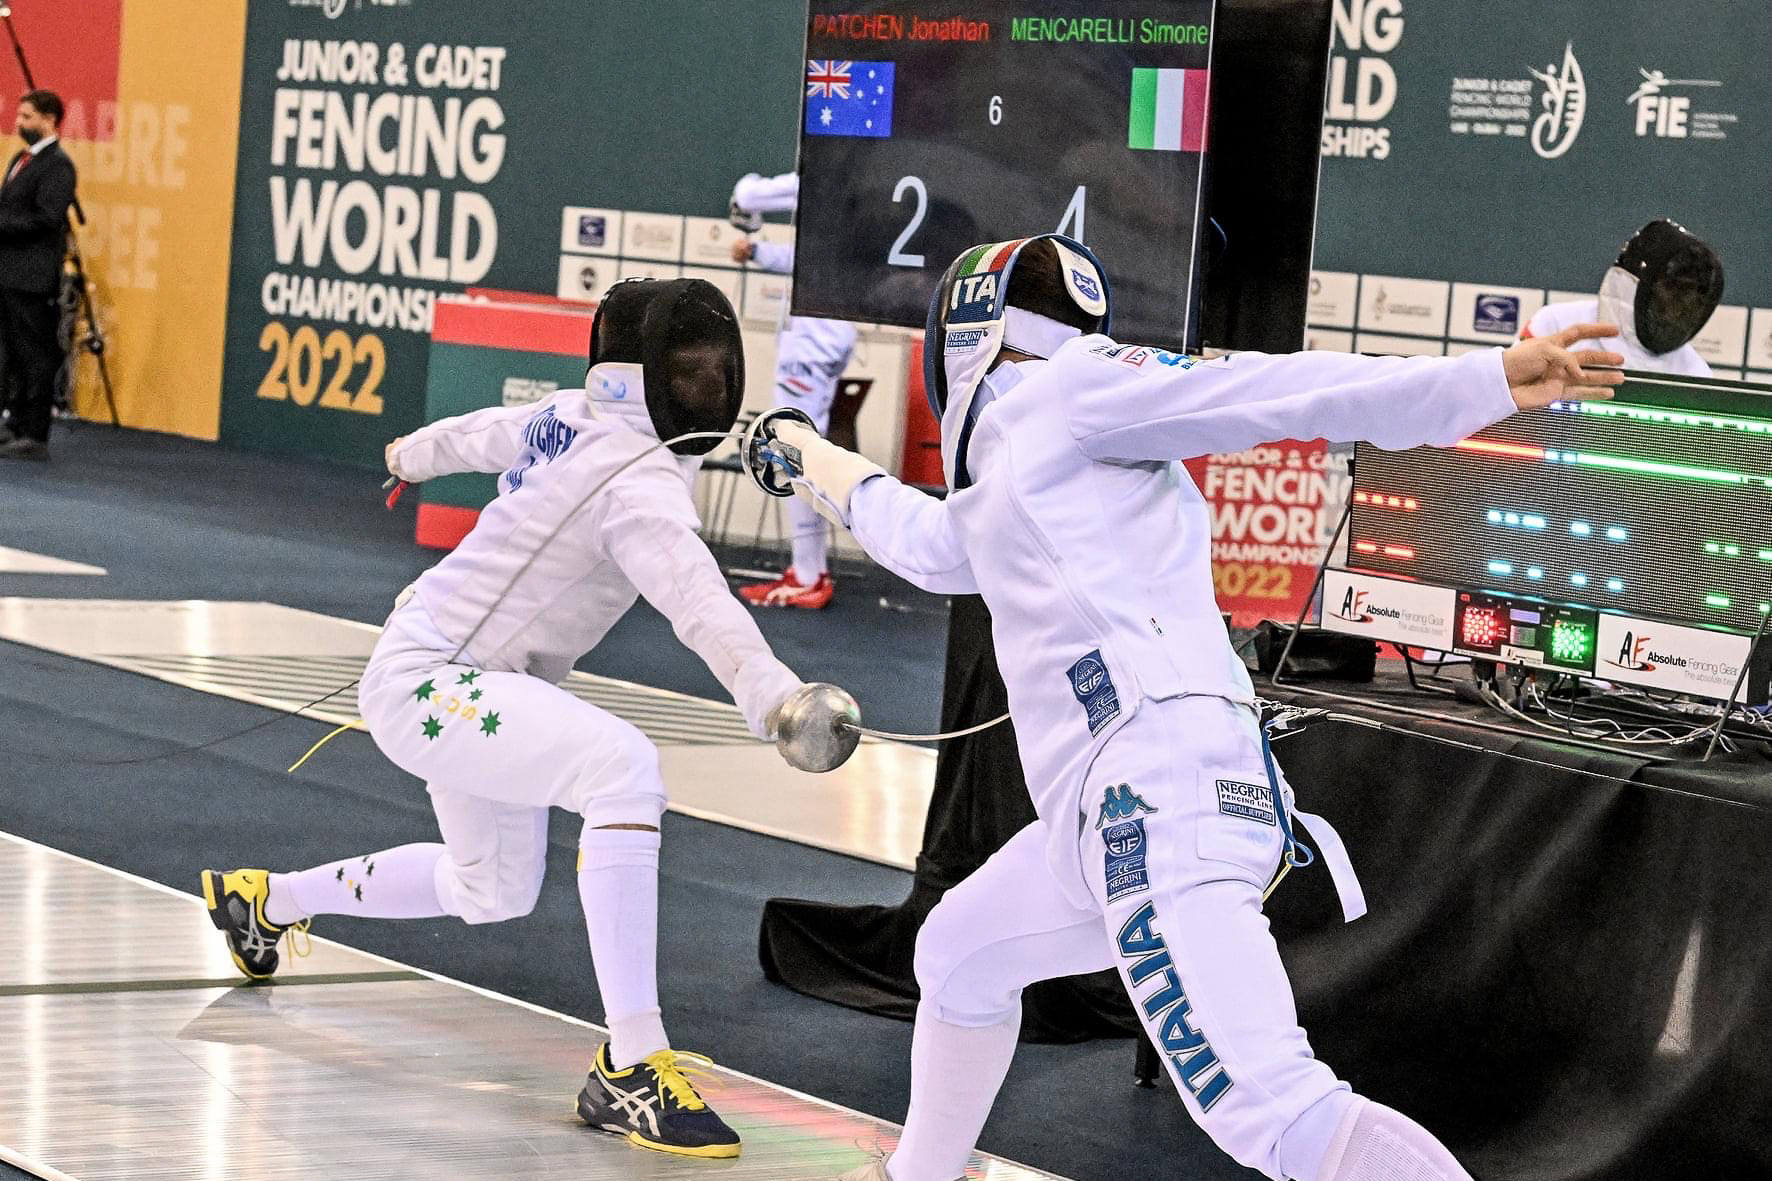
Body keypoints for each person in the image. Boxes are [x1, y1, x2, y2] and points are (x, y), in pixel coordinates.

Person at [758, 236, 1624, 1181]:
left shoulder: (1074, 390)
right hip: (1114, 808)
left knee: (1276, 1110)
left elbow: (1277, 391)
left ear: (963, 332)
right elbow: (926, 543)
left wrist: (1485, 381)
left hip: (1159, 794)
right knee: (959, 954)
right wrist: (806, 450)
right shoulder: (1021, 464)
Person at [202, 278, 830, 1161]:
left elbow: (472, 434)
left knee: (489, 890)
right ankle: (632, 1060)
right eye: (686, 368)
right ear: (645, 374)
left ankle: (263, 903)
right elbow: (702, 607)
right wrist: (776, 699)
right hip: (438, 680)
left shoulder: (570, 414)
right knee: (622, 768)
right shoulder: (637, 481)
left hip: (446, 673)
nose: (702, 383)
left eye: (709, 367)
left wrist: (406, 454)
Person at [727, 170, 858, 608]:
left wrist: (747, 213)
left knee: (793, 452)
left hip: (812, 341)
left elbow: (748, 193)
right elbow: (809, 264)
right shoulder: (850, 198)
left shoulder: (827, 181)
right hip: (829, 334)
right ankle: (811, 570)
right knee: (800, 451)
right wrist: (758, 249)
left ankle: (807, 575)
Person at [1521, 218, 1722, 376]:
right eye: (1673, 288)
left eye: (1695, 296)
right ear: (1632, 284)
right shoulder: (1555, 325)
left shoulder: (1693, 371)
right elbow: (1509, 410)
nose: (1683, 305)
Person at [0, 89, 77, 462]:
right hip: (9, 273)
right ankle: (13, 423)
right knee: (11, 353)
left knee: (35, 354)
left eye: (27, 117)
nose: (19, 123)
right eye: (19, 116)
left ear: (49, 119)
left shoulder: (58, 166)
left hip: (32, 277)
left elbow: (47, 219)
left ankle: (35, 432)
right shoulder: (21, 159)